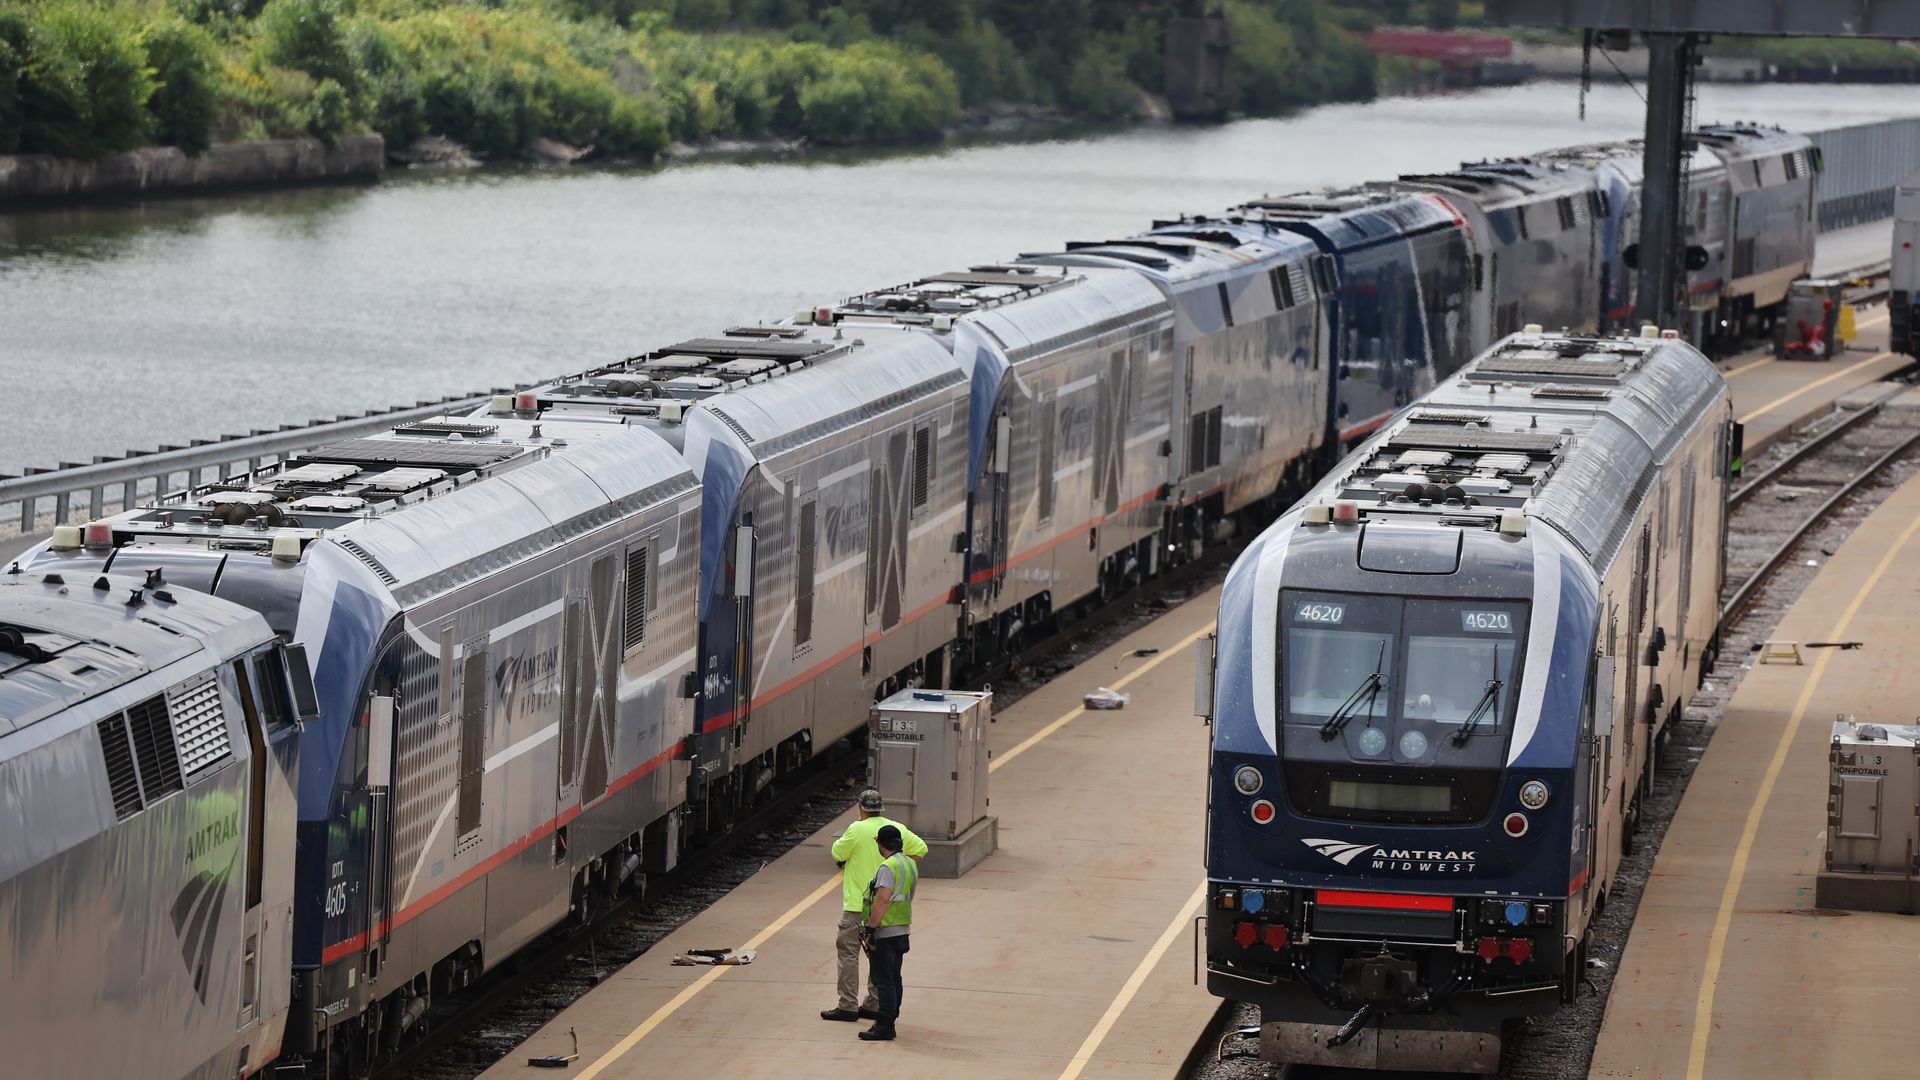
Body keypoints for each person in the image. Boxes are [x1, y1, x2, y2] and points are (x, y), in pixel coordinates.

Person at [823, 789, 926, 1024]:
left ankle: (847, 1005)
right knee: (877, 956)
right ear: (881, 808)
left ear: (861, 808)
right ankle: (873, 1003)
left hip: (856, 905)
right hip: (886, 907)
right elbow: (920, 849)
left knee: (848, 953)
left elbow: (837, 852)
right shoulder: (895, 828)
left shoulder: (856, 828)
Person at [857, 825, 917, 1042]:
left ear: (881, 844)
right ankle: (890, 1018)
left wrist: (870, 928)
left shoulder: (887, 867)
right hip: (902, 928)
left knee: (883, 980)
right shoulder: (909, 864)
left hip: (885, 929)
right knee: (894, 977)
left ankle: (885, 1024)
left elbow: (882, 899)